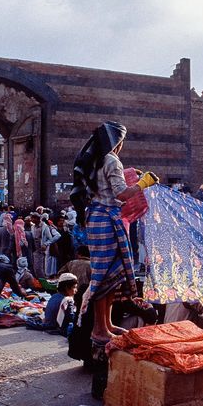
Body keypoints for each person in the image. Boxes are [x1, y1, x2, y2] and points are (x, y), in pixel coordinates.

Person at [69, 121, 157, 346]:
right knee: (105, 277)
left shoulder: (97, 159)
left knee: (109, 276)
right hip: (107, 220)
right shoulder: (111, 160)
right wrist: (144, 183)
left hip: (97, 218)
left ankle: (106, 325)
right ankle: (99, 329)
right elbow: (122, 194)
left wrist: (130, 174)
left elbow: (104, 187)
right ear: (116, 142)